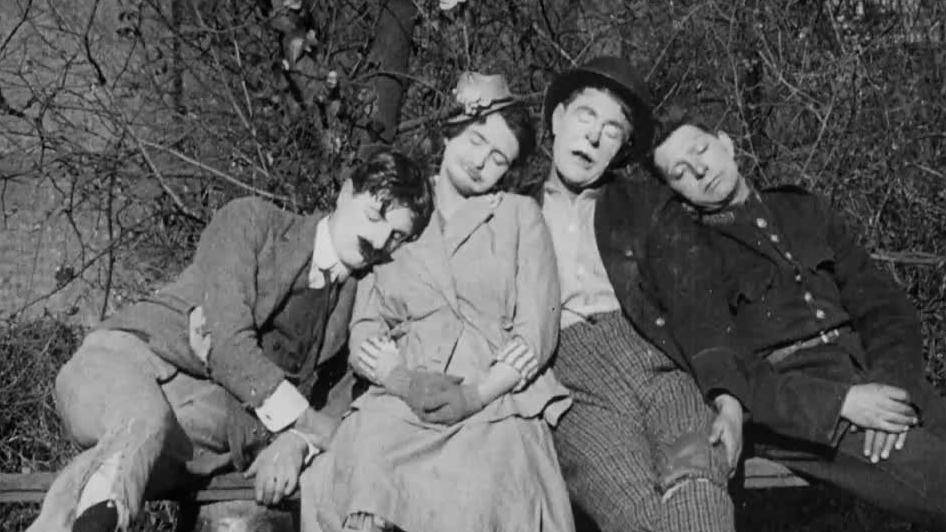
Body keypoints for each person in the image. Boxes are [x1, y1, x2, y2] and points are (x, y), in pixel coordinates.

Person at [27, 149, 435, 532]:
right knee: (144, 420)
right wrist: (307, 423)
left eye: (397, 236)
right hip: (128, 360)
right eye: (374, 215)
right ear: (346, 193)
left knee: (131, 460)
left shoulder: (361, 307)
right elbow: (228, 344)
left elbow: (342, 408)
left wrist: (298, 442)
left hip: (206, 430)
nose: (379, 241)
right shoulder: (252, 221)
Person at [299, 72, 574, 532]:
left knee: (488, 487)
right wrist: (400, 380)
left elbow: (536, 332)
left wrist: (475, 395)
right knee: (360, 464)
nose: (481, 162)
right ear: (449, 131)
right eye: (477, 139)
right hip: (403, 394)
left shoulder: (519, 216)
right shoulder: (402, 209)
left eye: (499, 159)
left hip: (494, 396)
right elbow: (365, 328)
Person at [648, 113, 946, 529]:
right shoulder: (691, 252)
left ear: (726, 144)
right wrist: (843, 404)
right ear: (675, 192)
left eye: (701, 149)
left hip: (875, 377)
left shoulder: (802, 208)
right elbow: (731, 368)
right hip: (804, 411)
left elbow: (883, 306)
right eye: (680, 172)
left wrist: (893, 385)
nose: (699, 170)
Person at [539, 56, 740, 532]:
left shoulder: (645, 205)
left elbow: (699, 300)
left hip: (659, 363)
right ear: (558, 119)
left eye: (612, 131)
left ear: (620, 150)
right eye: (586, 116)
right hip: (571, 384)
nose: (594, 136)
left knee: (697, 481)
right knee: (634, 512)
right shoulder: (512, 207)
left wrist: (728, 399)